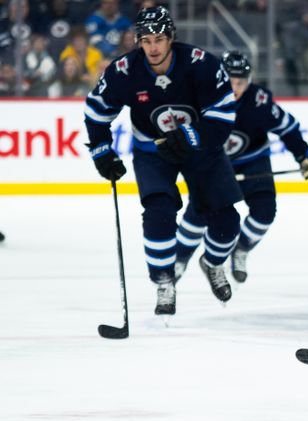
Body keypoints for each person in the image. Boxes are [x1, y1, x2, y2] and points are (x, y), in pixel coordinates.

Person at [83, 6, 242, 316]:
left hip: (201, 149)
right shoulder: (123, 72)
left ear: (171, 38)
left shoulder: (201, 64)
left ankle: (211, 263)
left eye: (159, 39)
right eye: (145, 40)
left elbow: (222, 116)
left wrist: (191, 138)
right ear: (138, 41)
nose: (152, 47)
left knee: (227, 221)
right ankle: (164, 281)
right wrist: (102, 152)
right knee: (158, 211)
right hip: (152, 150)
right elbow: (96, 112)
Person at [173, 50, 308, 284]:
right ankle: (179, 257)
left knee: (265, 213)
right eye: (230, 80)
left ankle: (241, 249)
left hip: (253, 160)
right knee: (199, 213)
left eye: (241, 82)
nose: (235, 87)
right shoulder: (202, 97)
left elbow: (288, 128)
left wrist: (305, 156)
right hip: (215, 163)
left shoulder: (258, 101)